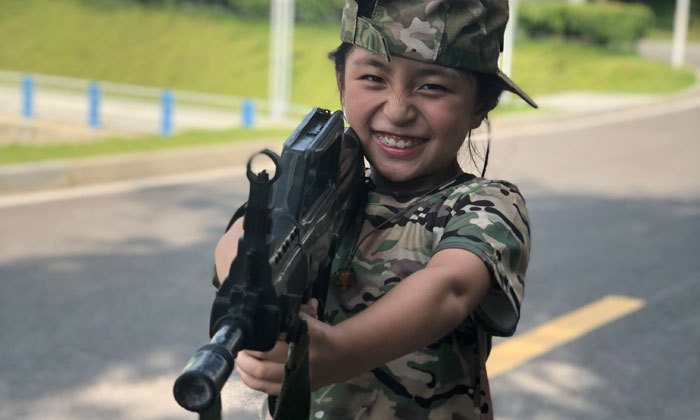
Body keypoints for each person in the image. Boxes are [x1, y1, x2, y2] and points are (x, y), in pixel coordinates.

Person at [214, 0, 535, 418]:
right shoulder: (323, 191)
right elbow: (241, 237)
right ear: (341, 82)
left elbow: (450, 288)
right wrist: (259, 288)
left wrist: (338, 351)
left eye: (432, 87)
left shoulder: (485, 205)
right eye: (372, 78)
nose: (398, 111)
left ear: (481, 105)